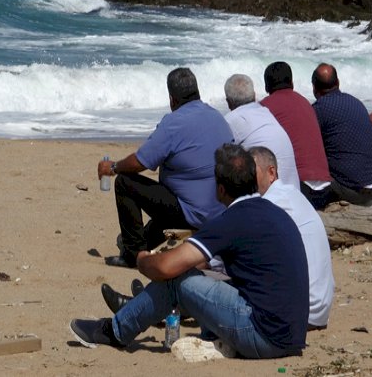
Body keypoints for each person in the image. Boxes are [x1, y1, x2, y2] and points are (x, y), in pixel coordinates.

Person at [73, 144, 309, 359]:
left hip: (264, 337)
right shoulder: (275, 213)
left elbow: (167, 268)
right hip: (292, 336)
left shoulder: (232, 220)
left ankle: (115, 331)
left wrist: (142, 259)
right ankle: (138, 312)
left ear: (221, 188)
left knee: (177, 281)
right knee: (196, 278)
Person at [98, 67, 233, 268]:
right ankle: (141, 243)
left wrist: (114, 167)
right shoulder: (218, 118)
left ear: (172, 99)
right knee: (150, 233)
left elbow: (140, 162)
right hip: (220, 211)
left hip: (190, 213)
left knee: (124, 182)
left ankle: (132, 256)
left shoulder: (174, 123)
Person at [249, 146, 334, 329]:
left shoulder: (273, 203)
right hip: (318, 308)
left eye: (251, 172)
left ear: (271, 172)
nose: (246, 179)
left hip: (301, 311)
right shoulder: (292, 194)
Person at [260, 61, 332, 209]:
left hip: (300, 189)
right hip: (325, 188)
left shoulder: (265, 107)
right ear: (292, 82)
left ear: (266, 86)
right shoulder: (305, 102)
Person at [312, 63, 372, 207]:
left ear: (314, 87)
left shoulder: (319, 109)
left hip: (351, 189)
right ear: (337, 82)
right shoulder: (356, 103)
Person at [223, 74, 299, 189]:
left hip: (271, 200)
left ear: (228, 102)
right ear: (254, 96)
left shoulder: (231, 120)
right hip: (294, 193)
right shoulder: (266, 113)